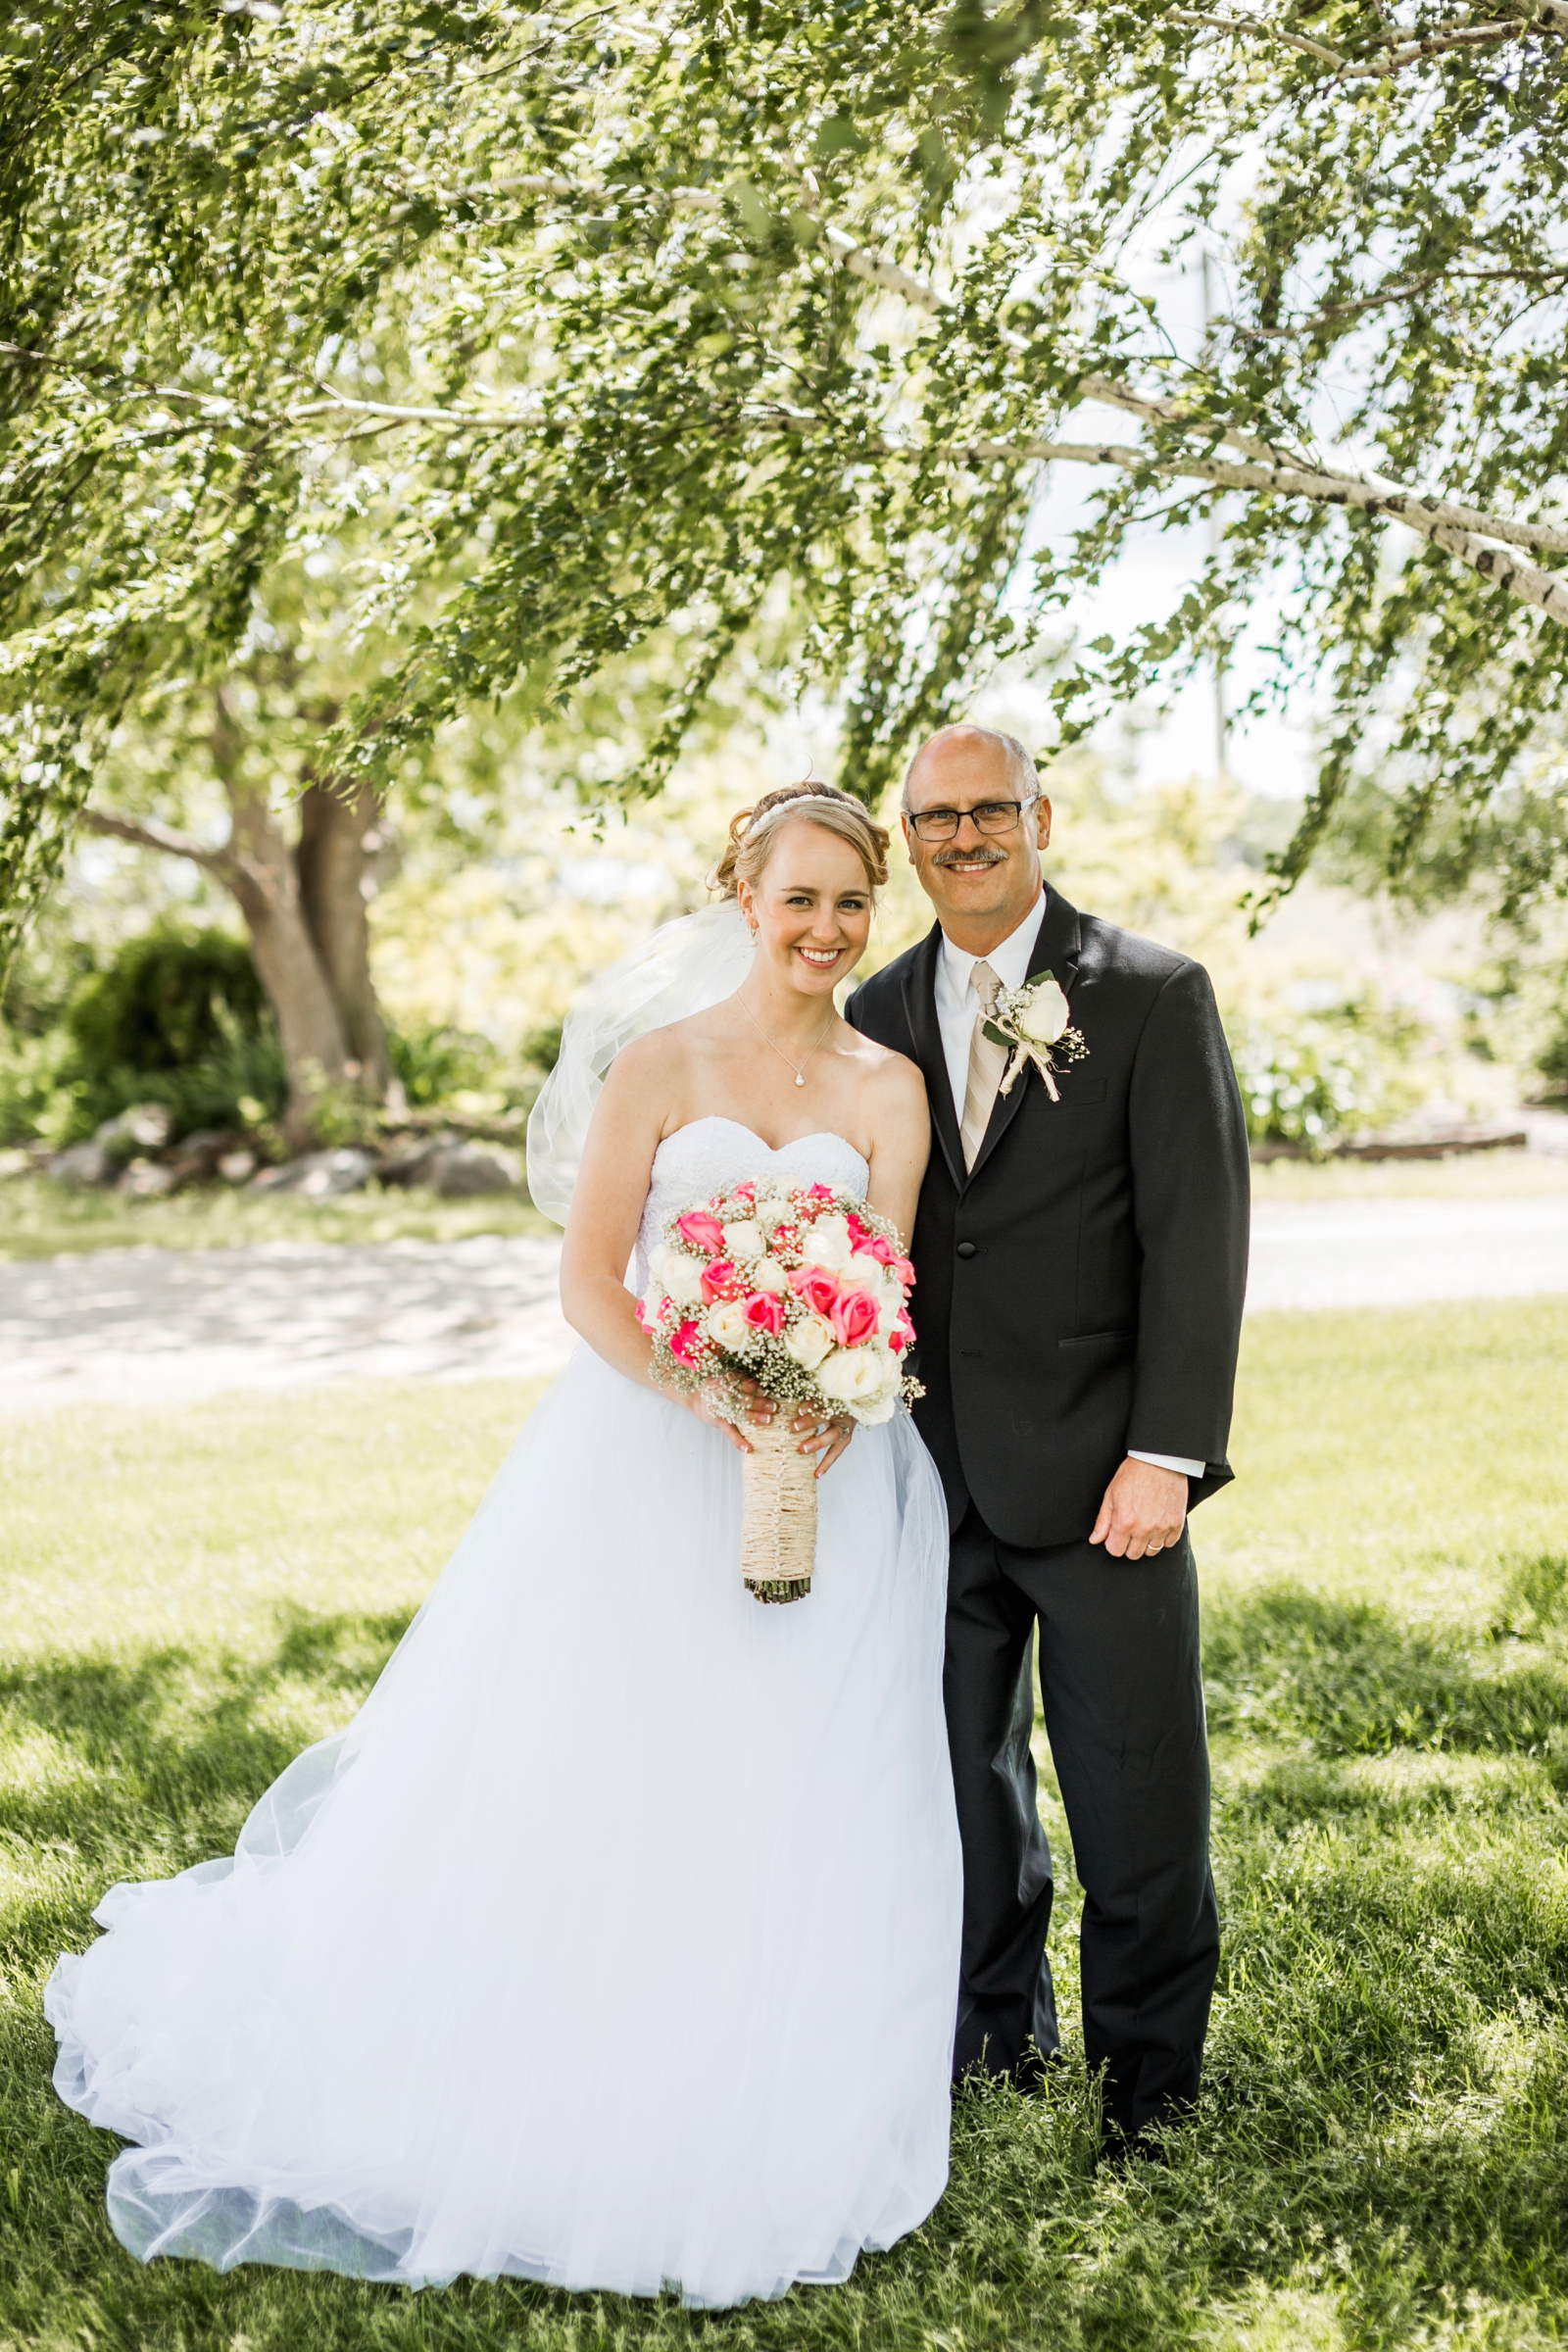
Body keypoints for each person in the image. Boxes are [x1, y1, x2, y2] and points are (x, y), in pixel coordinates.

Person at [46, 782, 963, 2306]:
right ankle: (578, 2065)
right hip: (650, 1461)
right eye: (799, 899)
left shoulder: (887, 1087)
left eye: (852, 904)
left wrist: (828, 1403)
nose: (825, 930)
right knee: (624, 1756)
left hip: (830, 1474)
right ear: (746, 897)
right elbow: (592, 1283)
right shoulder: (660, 1069)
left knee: (807, 1764)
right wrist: (709, 1392)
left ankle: (776, 2084)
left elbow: (885, 1286)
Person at [846, 724, 1250, 2154]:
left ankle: (1155, 2091)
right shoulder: (876, 1010)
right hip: (924, 1479)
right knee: (963, 1798)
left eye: (988, 810)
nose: (963, 837)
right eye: (935, 819)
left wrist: (1171, 1453)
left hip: (1102, 1478)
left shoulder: (1148, 994)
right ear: (908, 840)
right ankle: (995, 2051)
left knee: (1138, 1799)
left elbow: (1196, 1242)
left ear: (1042, 816)